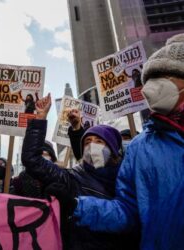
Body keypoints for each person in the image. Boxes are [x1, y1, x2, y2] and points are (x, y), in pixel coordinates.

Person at [72, 33, 184, 250]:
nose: (152, 88)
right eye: (151, 79)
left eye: (164, 77)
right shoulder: (139, 148)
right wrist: (77, 207)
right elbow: (128, 212)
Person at [21, 93, 139, 250]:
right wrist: (40, 118)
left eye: (99, 141)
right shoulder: (73, 177)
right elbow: (32, 160)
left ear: (112, 149)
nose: (92, 146)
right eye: (87, 142)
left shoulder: (130, 177)